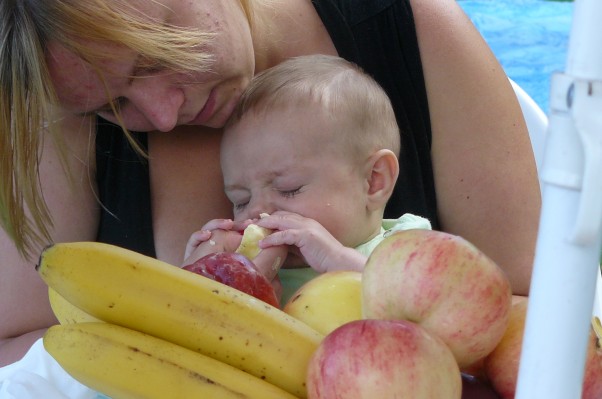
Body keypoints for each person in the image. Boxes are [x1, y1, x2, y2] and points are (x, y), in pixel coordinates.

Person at [0, 0, 541, 366]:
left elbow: (531, 312)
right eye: (113, 105)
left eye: (156, 56)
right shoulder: (62, 86)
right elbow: (12, 345)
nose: (164, 116)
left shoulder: (407, 24)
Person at [181, 54, 433, 304]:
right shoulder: (258, 270)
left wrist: (338, 261)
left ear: (374, 180)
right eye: (241, 200)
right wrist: (204, 272)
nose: (256, 211)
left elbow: (426, 309)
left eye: (289, 189)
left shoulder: (405, 245)